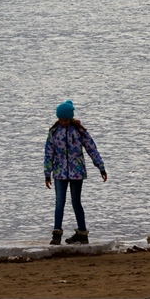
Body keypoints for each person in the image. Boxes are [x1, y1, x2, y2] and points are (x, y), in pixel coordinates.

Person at [43, 100, 107, 245]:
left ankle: (82, 233)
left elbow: (91, 149)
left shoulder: (79, 131)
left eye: (65, 120)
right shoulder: (54, 132)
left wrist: (101, 167)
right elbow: (48, 153)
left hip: (77, 172)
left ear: (70, 118)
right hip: (59, 172)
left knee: (76, 202)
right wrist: (47, 173)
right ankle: (57, 234)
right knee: (59, 202)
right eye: (60, 120)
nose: (63, 122)